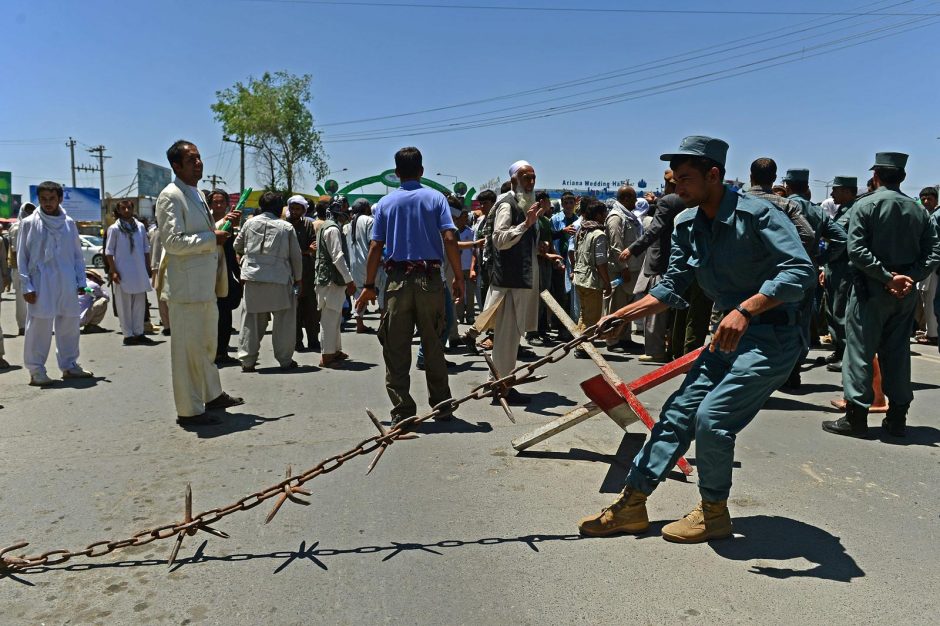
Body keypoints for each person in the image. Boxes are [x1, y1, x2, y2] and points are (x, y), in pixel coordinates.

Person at [579, 136, 814, 543]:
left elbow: (799, 271)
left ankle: (713, 512)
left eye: (686, 180)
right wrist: (620, 316)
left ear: (714, 175)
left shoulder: (759, 216)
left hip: (772, 337)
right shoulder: (687, 224)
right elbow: (673, 286)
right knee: (676, 415)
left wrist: (746, 309)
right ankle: (632, 504)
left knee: (713, 420)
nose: (677, 188)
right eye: (673, 181)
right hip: (728, 336)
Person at [823, 153, 940, 438]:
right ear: (902, 177)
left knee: (859, 352)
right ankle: (897, 417)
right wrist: (909, 277)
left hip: (871, 290)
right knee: (898, 352)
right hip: (905, 292)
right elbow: (934, 252)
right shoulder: (919, 211)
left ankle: (856, 417)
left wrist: (887, 278)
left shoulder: (866, 205)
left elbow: (857, 250)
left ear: (876, 176)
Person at [354, 146, 463, 424]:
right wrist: (458, 278)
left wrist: (368, 285)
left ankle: (402, 410)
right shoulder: (436, 198)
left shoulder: (387, 204)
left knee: (395, 347)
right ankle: (442, 405)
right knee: (434, 343)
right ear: (422, 171)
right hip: (430, 280)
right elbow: (450, 238)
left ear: (397, 173)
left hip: (397, 282)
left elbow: (376, 246)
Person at [156, 140, 243, 426]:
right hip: (186, 289)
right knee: (187, 351)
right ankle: (190, 410)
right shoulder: (170, 195)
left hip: (204, 286)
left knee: (206, 345)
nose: (198, 163)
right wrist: (212, 239)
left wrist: (222, 226)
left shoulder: (195, 193)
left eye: (199, 158)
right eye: (191, 159)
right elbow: (173, 242)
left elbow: (200, 233)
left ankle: (211, 393)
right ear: (176, 165)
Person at [17, 181, 94, 386]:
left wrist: (81, 282)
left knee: (69, 322)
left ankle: (69, 365)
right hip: (41, 281)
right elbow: (22, 257)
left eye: (52, 199)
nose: (48, 203)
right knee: (39, 325)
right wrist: (27, 286)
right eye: (43, 199)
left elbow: (78, 257)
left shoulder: (69, 223)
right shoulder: (29, 223)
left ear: (60, 199)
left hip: (66, 280)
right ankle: (36, 370)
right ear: (38, 200)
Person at [483, 160, 545, 405]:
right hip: (510, 282)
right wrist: (525, 225)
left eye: (533, 177)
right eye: (525, 177)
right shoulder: (507, 204)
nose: (530, 182)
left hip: (522, 280)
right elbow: (499, 239)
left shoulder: (527, 203)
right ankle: (501, 387)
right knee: (506, 338)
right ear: (513, 180)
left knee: (510, 338)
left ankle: (498, 382)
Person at [781, 168, 846, 388]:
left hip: (780, 273)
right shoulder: (816, 211)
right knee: (802, 321)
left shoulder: (779, 206)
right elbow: (841, 239)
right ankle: (794, 370)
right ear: (807, 188)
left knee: (778, 321)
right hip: (807, 272)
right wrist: (821, 258)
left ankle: (781, 370)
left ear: (788, 186)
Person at [621, 170, 686, 362]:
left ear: (668, 184)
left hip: (659, 262)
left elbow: (655, 230)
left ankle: (655, 350)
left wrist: (632, 249)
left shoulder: (667, 201)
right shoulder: (689, 200)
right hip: (681, 261)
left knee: (655, 310)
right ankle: (674, 348)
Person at [234, 191, 303, 372]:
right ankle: (285, 360)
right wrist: (299, 279)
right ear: (280, 209)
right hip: (279, 279)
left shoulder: (249, 223)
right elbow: (296, 257)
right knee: (284, 322)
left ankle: (247, 361)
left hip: (253, 278)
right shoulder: (286, 227)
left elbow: (237, 246)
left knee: (251, 320)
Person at [822, 176, 860, 371]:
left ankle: (846, 355)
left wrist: (826, 258)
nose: (831, 193)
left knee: (840, 312)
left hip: (844, 269)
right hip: (834, 268)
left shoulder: (854, 211)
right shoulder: (842, 211)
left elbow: (843, 242)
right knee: (831, 311)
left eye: (835, 190)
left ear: (846, 191)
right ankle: (839, 349)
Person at [105, 199, 155, 346]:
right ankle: (128, 334)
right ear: (118, 211)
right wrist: (113, 271)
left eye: (128, 208)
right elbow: (109, 252)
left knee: (140, 303)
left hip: (139, 271)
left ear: (133, 209)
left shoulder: (140, 227)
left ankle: (139, 332)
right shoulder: (114, 228)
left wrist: (148, 267)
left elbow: (146, 249)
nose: (126, 210)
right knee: (124, 304)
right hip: (122, 272)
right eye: (123, 208)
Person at [316, 196, 357, 368]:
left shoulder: (330, 226)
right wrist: (349, 280)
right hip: (330, 279)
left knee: (335, 315)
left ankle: (335, 350)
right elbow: (338, 257)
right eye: (345, 208)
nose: (347, 212)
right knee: (329, 317)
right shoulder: (332, 229)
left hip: (332, 279)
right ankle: (327, 355)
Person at [605, 186, 644, 353]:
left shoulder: (629, 216)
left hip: (632, 270)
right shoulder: (616, 217)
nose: (635, 202)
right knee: (617, 306)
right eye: (633, 198)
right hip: (621, 271)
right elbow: (616, 246)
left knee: (627, 308)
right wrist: (624, 267)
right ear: (626, 198)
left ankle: (625, 338)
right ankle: (612, 340)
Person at [206, 189, 243, 366]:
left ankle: (222, 351)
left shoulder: (232, 222)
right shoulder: (206, 222)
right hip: (208, 273)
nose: (218, 205)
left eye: (222, 202)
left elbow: (234, 250)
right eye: (215, 202)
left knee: (225, 313)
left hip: (226, 273)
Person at [572, 199, 612, 358]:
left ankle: (579, 343)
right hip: (591, 280)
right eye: (604, 213)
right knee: (592, 316)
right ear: (598, 214)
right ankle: (583, 348)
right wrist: (607, 283)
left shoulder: (582, 230)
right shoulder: (599, 234)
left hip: (579, 277)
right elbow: (601, 262)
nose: (606, 216)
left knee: (584, 314)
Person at [286, 194, 321, 352]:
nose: (294, 211)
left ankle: (313, 340)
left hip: (308, 273)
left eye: (297, 208)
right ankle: (296, 342)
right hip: (291, 273)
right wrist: (305, 251)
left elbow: (314, 247)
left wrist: (306, 252)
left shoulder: (308, 224)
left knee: (311, 310)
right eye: (292, 208)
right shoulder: (284, 225)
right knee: (295, 310)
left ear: (303, 210)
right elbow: (287, 251)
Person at [346, 198, 376, 334]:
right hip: (368, 263)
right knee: (379, 290)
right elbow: (373, 243)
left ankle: (360, 324)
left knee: (359, 294)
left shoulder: (349, 224)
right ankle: (383, 323)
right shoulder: (369, 221)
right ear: (366, 208)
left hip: (354, 264)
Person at [915, 187, 939, 345]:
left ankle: (933, 334)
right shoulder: (929, 215)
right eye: (923, 199)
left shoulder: (935, 216)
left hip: (934, 265)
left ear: (936, 199)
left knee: (930, 299)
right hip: (931, 263)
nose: (925, 202)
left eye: (929, 199)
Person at [9, 202, 36, 335]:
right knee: (21, 299)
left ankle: (34, 325)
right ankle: (22, 326)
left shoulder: (36, 225)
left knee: (36, 297)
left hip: (34, 268)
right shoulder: (16, 228)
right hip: (20, 268)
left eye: (32, 210)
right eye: (28, 211)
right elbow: (16, 251)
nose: (30, 213)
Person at [148, 215, 170, 335]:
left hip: (169, 266)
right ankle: (167, 325)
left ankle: (171, 323)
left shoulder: (171, 230)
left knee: (170, 297)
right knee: (161, 297)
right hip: (156, 267)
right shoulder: (153, 231)